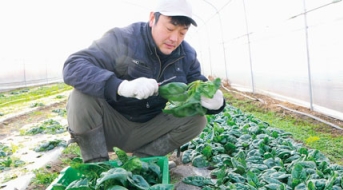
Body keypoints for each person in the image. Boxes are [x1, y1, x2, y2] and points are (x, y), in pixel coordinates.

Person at [62, 0, 225, 163]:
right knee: (80, 96)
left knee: (197, 119)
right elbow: (73, 65)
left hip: (149, 130)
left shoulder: (186, 55)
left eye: (182, 32)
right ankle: (96, 165)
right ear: (152, 18)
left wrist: (216, 103)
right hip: (110, 126)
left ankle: (141, 163)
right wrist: (120, 86)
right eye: (169, 29)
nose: (174, 38)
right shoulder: (123, 38)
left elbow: (199, 85)